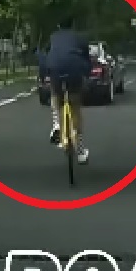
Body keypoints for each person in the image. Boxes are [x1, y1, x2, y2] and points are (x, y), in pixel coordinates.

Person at [42, 15, 93, 164]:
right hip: (74, 70)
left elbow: (47, 56)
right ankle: (80, 151)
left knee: (55, 95)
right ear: (73, 25)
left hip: (56, 69)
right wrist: (87, 74)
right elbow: (86, 58)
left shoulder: (53, 37)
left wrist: (45, 73)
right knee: (75, 106)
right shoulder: (80, 38)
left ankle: (57, 124)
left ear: (58, 26)